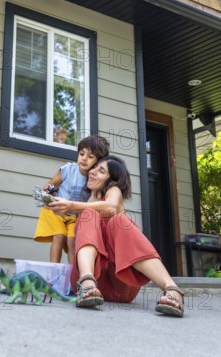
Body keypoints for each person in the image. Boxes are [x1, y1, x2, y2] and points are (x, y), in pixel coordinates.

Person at [47, 155, 185, 317]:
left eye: (101, 171)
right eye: (94, 168)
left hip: (122, 285)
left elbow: (111, 207)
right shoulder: (86, 202)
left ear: (111, 181)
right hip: (86, 284)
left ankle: (172, 289)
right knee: (89, 214)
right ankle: (87, 281)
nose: (92, 172)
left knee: (117, 220)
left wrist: (72, 205)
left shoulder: (113, 192)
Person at [34, 135, 110, 264]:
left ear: (98, 161)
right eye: (81, 154)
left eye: (90, 156)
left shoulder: (94, 179)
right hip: (55, 209)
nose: (84, 158)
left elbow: (96, 203)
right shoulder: (68, 169)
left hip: (74, 215)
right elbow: (51, 185)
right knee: (59, 236)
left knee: (73, 241)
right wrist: (47, 191)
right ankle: (54, 270)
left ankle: (73, 274)